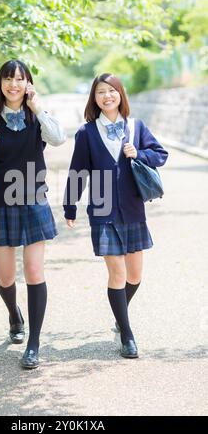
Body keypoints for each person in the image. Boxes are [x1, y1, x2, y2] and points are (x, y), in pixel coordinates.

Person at [0, 59, 66, 369]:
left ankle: (34, 344)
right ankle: (14, 314)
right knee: (6, 276)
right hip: (1, 202)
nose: (13, 85)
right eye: (8, 79)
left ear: (28, 84)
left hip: (34, 199)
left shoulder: (38, 118)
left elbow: (58, 137)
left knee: (35, 272)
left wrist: (38, 107)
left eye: (19, 79)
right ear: (0, 84)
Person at [63, 73, 168, 358]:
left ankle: (119, 317)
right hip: (102, 209)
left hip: (133, 208)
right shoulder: (86, 133)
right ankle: (127, 334)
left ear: (120, 94)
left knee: (135, 275)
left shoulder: (136, 127)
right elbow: (77, 171)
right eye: (100, 92)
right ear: (94, 98)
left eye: (111, 91)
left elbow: (161, 154)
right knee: (117, 273)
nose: (107, 96)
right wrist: (70, 205)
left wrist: (139, 154)